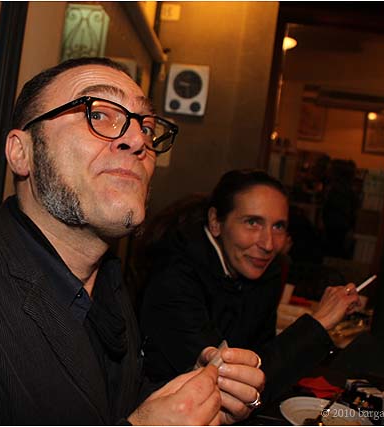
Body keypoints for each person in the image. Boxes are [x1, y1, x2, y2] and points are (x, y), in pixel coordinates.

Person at [0, 58, 264, 425]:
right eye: (98, 114)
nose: (138, 140)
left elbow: (104, 405)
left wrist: (197, 397)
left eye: (146, 126)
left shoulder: (107, 284)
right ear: (22, 153)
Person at [140, 169, 361, 404]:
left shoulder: (265, 270)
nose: (268, 244)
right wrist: (318, 323)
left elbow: (261, 357)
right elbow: (226, 386)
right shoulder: (173, 278)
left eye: (278, 226)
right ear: (215, 222)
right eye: (253, 222)